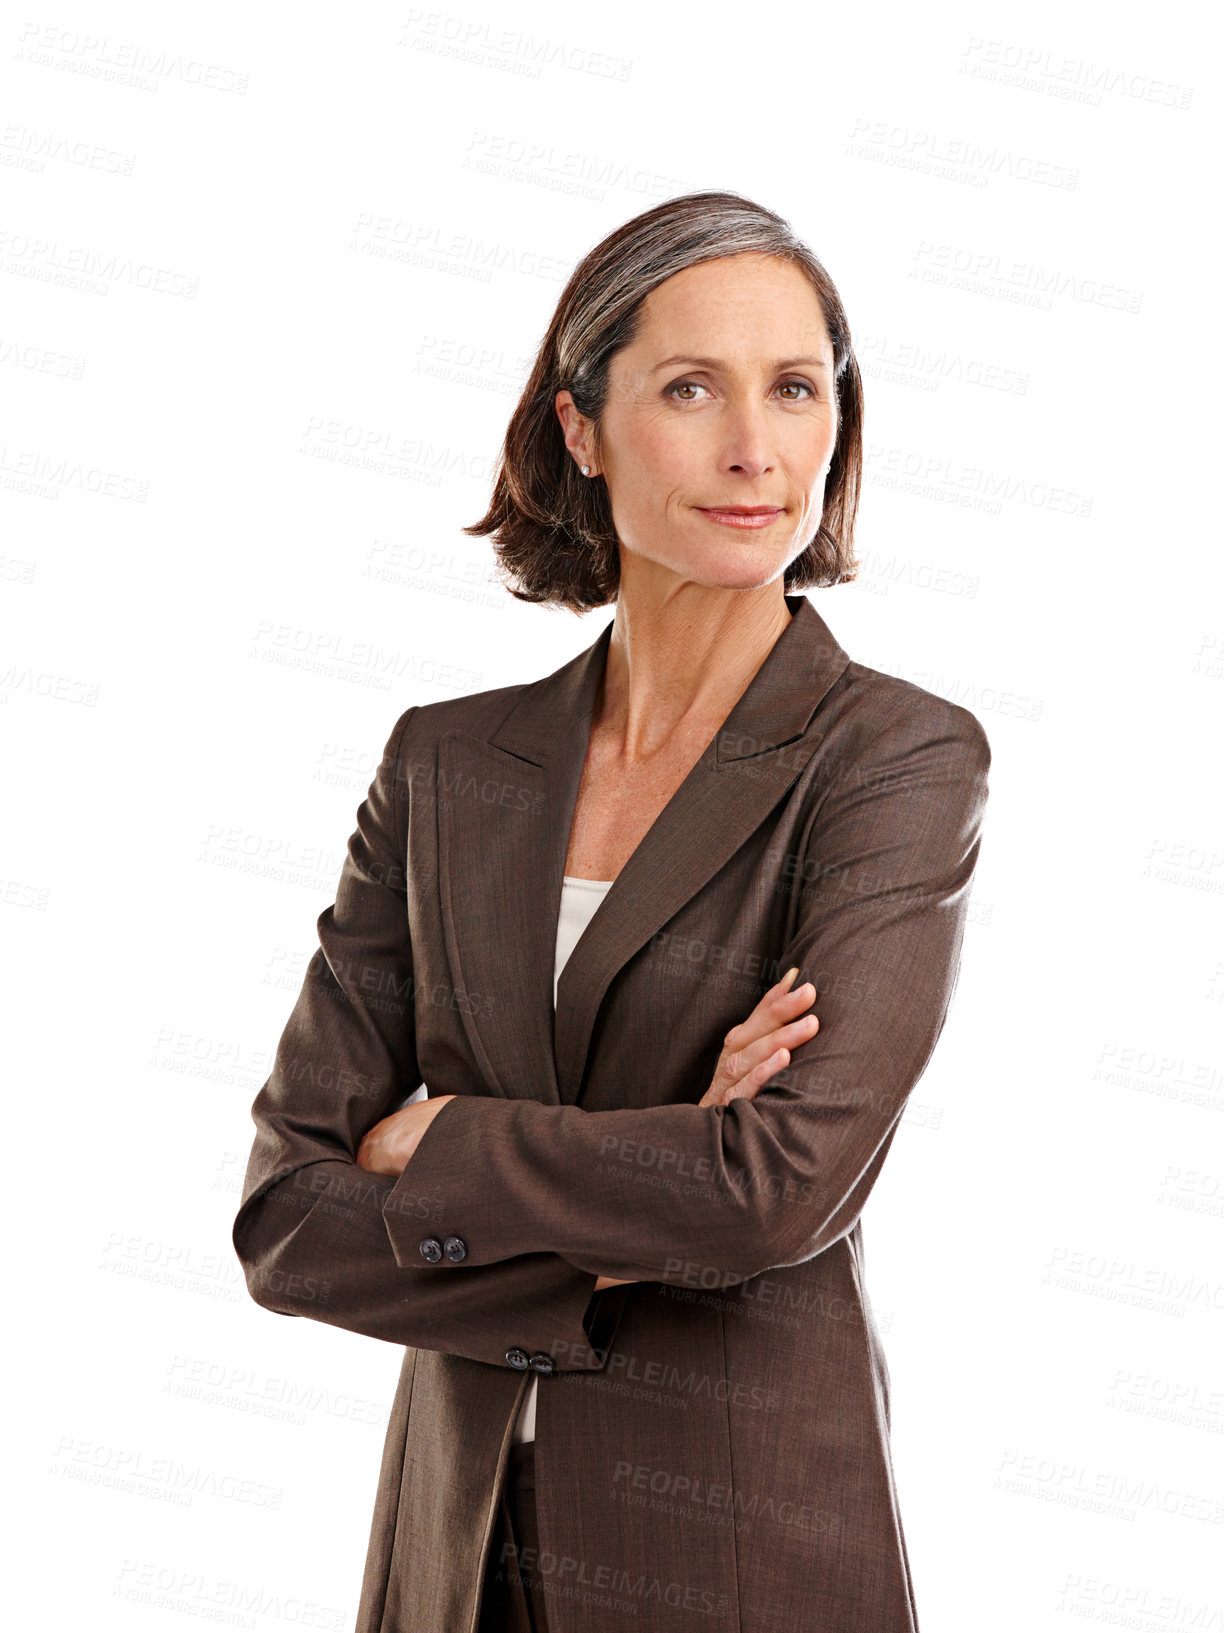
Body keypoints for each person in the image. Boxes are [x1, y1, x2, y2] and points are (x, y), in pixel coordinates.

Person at [233, 189, 991, 1633]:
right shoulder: (448, 762)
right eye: (690, 388)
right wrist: (650, 1188)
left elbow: (775, 1189)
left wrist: (442, 1140)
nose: (755, 449)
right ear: (579, 429)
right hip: (448, 1563)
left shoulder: (893, 757)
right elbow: (287, 1217)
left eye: (796, 388)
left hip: (739, 1557)